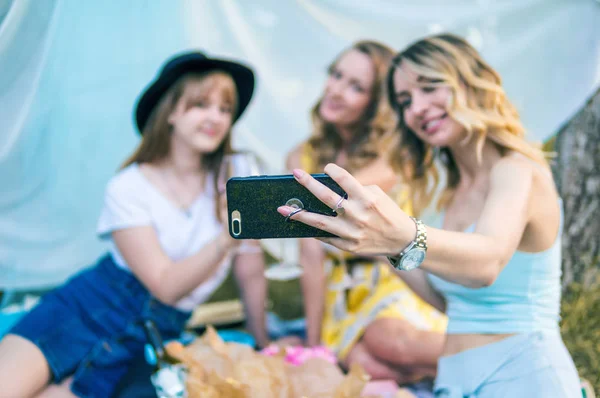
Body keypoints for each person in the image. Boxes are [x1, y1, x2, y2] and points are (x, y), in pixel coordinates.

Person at [278, 33, 582, 397]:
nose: (417, 108)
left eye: (430, 87)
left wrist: (403, 234)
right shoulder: (445, 192)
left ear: (470, 82)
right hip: (455, 382)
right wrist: (379, 245)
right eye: (405, 100)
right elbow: (447, 298)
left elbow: (486, 263)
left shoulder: (518, 168)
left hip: (523, 377)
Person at [0, 51, 269, 398]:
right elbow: (165, 285)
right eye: (201, 104)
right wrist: (229, 237)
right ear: (171, 111)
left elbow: (250, 270)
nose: (215, 117)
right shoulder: (129, 186)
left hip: (155, 334)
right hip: (88, 307)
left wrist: (264, 342)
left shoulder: (232, 184)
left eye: (225, 109)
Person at [282, 40, 447, 386]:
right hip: (340, 295)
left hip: (393, 275)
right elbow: (309, 253)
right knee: (363, 364)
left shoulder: (397, 151)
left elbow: (338, 198)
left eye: (356, 87)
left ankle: (497, 351)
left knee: (386, 340)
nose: (337, 91)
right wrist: (314, 345)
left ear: (376, 104)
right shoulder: (301, 157)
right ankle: (452, 369)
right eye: (336, 75)